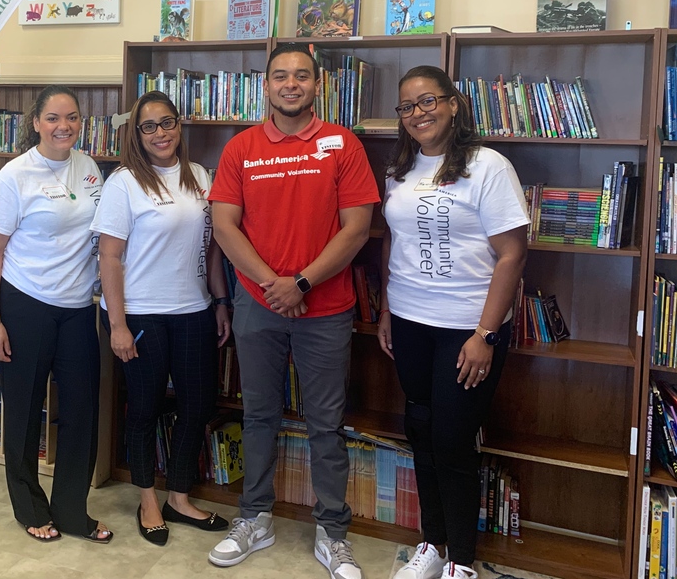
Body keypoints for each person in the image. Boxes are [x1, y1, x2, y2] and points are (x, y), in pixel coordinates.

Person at [207, 43, 380, 579]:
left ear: (316, 85)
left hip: (326, 308)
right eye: (280, 75)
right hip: (257, 307)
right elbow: (224, 226)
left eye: (301, 76)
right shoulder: (241, 149)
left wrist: (301, 282)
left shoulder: (341, 144)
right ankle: (255, 518)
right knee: (258, 415)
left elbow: (357, 227)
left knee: (326, 424)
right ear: (265, 85)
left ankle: (333, 532)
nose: (290, 84)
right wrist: (271, 285)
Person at [378, 66, 528, 579]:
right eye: (407, 106)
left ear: (453, 104)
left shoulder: (488, 167)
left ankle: (461, 561)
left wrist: (485, 335)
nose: (418, 113)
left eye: (428, 101)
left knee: (452, 440)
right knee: (419, 429)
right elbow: (393, 244)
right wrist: (384, 311)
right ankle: (433, 543)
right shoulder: (400, 168)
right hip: (410, 320)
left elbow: (511, 255)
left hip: (468, 327)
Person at [91, 90, 232, 546]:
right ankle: (148, 498)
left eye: (167, 122)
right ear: (137, 133)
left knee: (196, 407)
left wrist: (221, 301)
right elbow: (108, 258)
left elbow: (209, 248)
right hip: (142, 314)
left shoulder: (197, 175)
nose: (160, 133)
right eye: (148, 126)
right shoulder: (124, 182)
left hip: (193, 312)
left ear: (179, 125)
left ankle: (180, 497)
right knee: (145, 410)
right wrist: (117, 324)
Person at [0, 85, 112, 545]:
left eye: (72, 117)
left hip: (77, 308)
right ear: (35, 122)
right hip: (26, 304)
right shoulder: (14, 176)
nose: (64, 126)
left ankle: (72, 509)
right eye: (53, 117)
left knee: (81, 411)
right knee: (24, 411)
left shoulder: (89, 167)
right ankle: (29, 506)